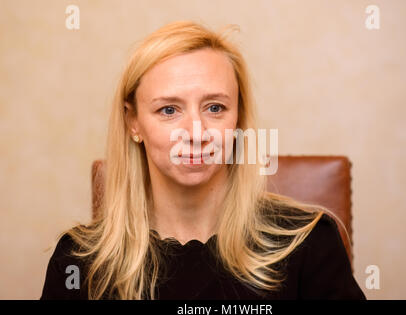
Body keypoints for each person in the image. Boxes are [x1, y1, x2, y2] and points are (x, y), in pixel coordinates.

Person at [40, 20, 366, 300]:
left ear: (238, 119)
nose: (196, 133)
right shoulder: (78, 262)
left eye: (215, 108)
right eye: (168, 110)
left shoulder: (309, 244)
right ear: (133, 123)